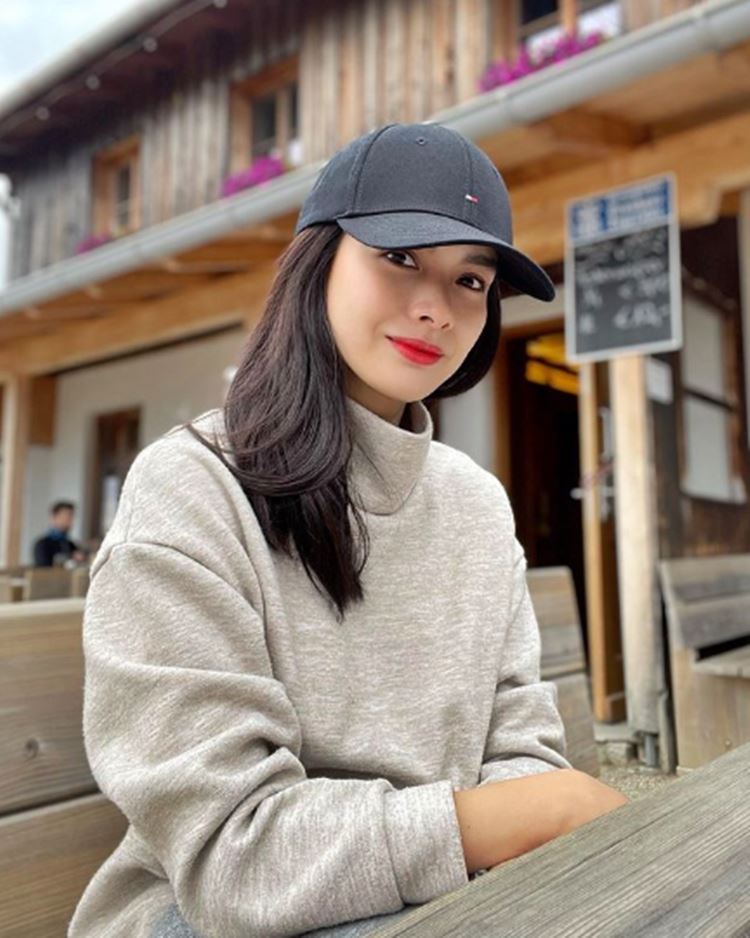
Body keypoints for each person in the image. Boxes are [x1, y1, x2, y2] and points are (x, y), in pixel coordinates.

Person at [69, 123, 627, 938]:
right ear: (318, 262)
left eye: (471, 280)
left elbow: (521, 754)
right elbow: (232, 856)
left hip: (441, 903)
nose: (435, 307)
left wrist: (519, 821)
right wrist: (514, 818)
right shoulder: (193, 486)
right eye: (399, 256)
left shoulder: (475, 504)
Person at [33, 500, 86, 567]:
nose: (70, 521)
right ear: (54, 518)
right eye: (66, 517)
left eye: (72, 517)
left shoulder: (71, 545)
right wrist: (69, 557)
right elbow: (43, 569)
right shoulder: (42, 544)